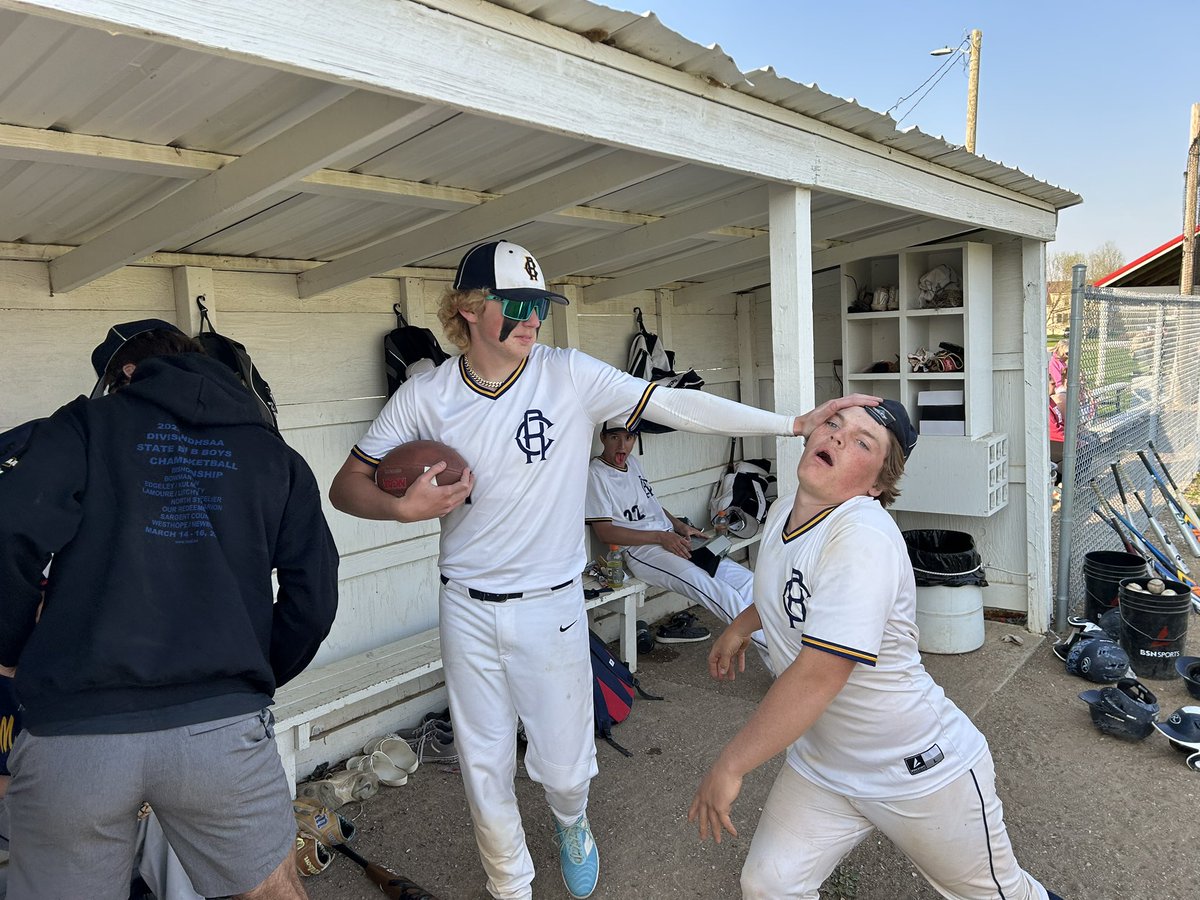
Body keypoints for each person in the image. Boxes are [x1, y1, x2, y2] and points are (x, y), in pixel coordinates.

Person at [328, 239, 876, 900]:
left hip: (551, 603)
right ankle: (511, 885)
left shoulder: (566, 374)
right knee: (483, 765)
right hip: (467, 605)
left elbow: (676, 406)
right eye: (518, 304)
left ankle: (570, 821)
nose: (534, 318)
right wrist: (403, 507)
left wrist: (790, 423)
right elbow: (347, 487)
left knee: (562, 769)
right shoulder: (427, 396)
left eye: (541, 306)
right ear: (469, 310)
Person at [0, 321, 340, 900]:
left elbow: (8, 527)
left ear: (125, 374)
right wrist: (248, 675)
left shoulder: (81, 428)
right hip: (223, 731)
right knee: (272, 894)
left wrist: (12, 649)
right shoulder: (269, 451)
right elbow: (315, 591)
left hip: (77, 729)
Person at [688, 400, 1061, 900]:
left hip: (914, 766)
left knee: (1000, 896)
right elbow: (788, 588)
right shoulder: (785, 509)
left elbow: (820, 674)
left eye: (863, 442)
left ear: (876, 485)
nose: (839, 437)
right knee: (770, 885)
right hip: (825, 762)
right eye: (835, 424)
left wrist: (731, 763)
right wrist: (742, 624)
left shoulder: (862, 535)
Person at [584, 420, 771, 668]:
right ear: (603, 438)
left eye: (628, 438)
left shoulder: (634, 464)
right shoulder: (595, 473)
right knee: (715, 590)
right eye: (615, 437)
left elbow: (651, 505)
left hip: (671, 538)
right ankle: (781, 655)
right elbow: (605, 532)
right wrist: (662, 537)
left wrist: (679, 527)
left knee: (746, 580)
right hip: (643, 551)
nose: (622, 444)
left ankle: (784, 641)